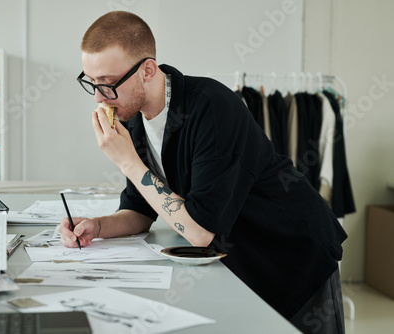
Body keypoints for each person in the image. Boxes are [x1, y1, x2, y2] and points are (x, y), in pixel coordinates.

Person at [59, 10, 347, 334]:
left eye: (109, 84)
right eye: (92, 83)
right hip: (240, 260)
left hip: (293, 251)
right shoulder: (133, 117)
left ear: (148, 70)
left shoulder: (210, 106)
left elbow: (202, 233)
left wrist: (127, 161)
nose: (99, 97)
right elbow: (140, 209)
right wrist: (96, 226)